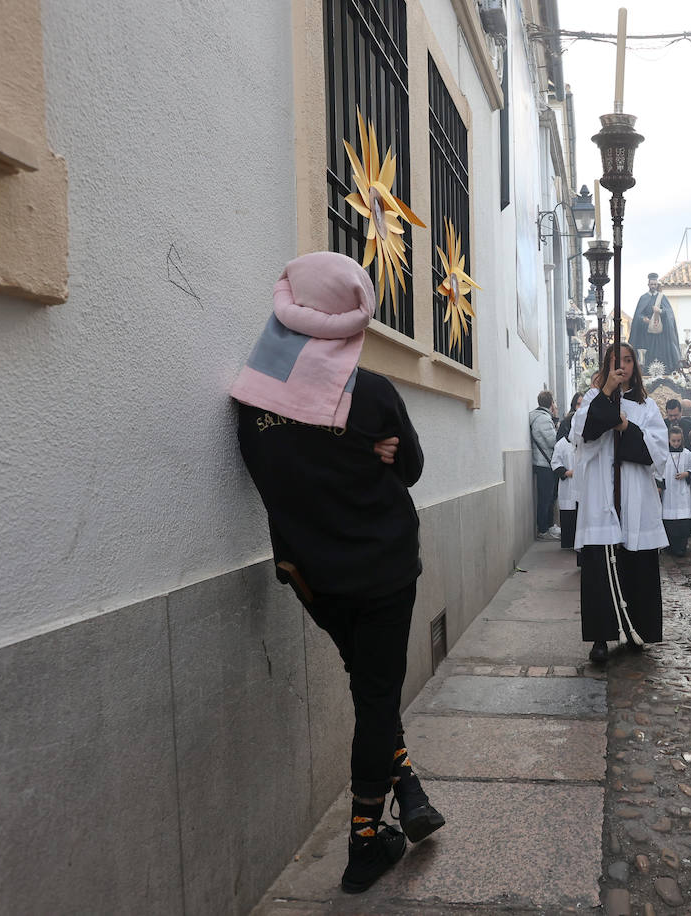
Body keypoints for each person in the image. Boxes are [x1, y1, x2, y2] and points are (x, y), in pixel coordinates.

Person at [232, 251, 444, 895]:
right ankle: (363, 841)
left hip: (313, 577)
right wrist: (379, 453)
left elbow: (278, 475)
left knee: (367, 684)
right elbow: (412, 468)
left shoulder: (250, 399)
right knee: (378, 697)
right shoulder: (374, 394)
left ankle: (407, 788)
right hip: (381, 572)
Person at [572, 343, 668, 663]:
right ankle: (601, 637)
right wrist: (606, 395)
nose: (622, 366)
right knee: (601, 567)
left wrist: (625, 426)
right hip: (603, 496)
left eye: (627, 361)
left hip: (634, 495)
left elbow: (658, 451)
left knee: (636, 566)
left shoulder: (646, 406)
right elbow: (582, 433)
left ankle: (635, 630)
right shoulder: (591, 399)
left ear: (635, 366)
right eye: (615, 361)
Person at [630, 273, 682, 372]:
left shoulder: (662, 297)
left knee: (661, 352)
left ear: (657, 285)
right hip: (647, 334)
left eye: (655, 284)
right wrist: (643, 319)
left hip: (661, 334)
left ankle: (663, 371)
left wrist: (660, 311)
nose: (653, 286)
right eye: (651, 284)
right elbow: (637, 315)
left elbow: (669, 313)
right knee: (648, 354)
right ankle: (647, 371)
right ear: (648, 285)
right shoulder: (643, 298)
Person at [660, 425, 691, 557]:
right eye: (673, 441)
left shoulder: (687, 454)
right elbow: (658, 470)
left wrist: (687, 473)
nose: (676, 443)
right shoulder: (664, 453)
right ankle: (671, 546)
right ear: (668, 440)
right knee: (670, 523)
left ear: (682, 440)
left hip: (682, 493)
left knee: (682, 523)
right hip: (668, 492)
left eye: (678, 441)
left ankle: (681, 547)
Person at [530, 391, 559, 539]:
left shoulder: (542, 417)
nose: (555, 405)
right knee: (545, 498)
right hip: (544, 464)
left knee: (548, 496)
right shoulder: (543, 419)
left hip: (543, 463)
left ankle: (548, 526)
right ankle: (543, 529)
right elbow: (553, 442)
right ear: (550, 403)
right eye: (554, 402)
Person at [551, 430, 579, 559]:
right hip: (568, 484)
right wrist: (568, 473)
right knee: (569, 512)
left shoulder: (582, 442)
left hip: (581, 485)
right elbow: (555, 463)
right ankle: (570, 542)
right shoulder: (561, 444)